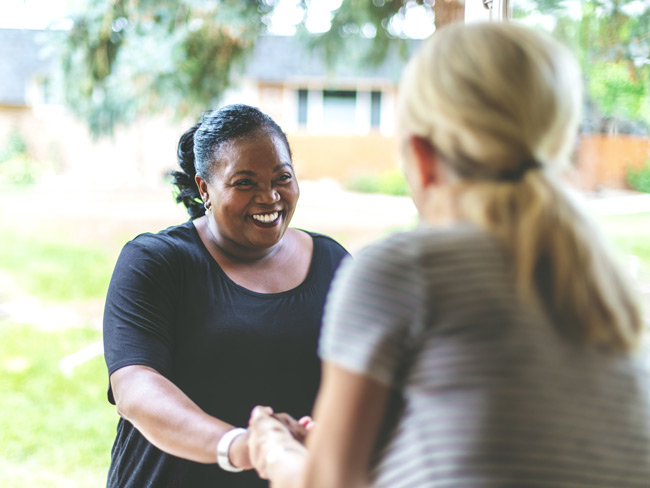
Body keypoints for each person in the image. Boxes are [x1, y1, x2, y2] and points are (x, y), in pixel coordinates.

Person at [246, 22, 650, 488]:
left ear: (422, 155)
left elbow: (330, 484)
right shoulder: (603, 280)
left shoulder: (404, 269)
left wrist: (273, 449)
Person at [102, 104, 349, 487]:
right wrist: (239, 446)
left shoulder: (334, 264)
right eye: (245, 182)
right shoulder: (156, 262)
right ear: (205, 188)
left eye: (282, 177)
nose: (269, 196)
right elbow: (135, 386)